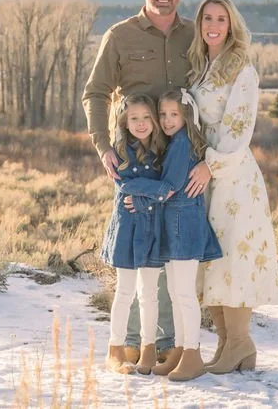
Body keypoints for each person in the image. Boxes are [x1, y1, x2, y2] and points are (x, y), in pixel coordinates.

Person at [82, 0, 212, 361]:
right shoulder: (119, 36)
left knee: (175, 252)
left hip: (180, 161)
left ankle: (171, 345)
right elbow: (96, 93)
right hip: (135, 161)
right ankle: (133, 343)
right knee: (138, 254)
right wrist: (103, 146)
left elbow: (214, 90)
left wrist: (213, 158)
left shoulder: (195, 35)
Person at [188, 0, 278, 374]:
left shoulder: (243, 69)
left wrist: (212, 166)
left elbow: (239, 128)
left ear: (232, 25)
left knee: (233, 258)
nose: (213, 25)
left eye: (221, 19)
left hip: (232, 175)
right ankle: (228, 344)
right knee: (211, 259)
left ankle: (240, 341)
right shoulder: (199, 67)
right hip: (204, 175)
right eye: (207, 18)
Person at [150, 88, 223, 381]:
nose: (167, 120)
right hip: (175, 225)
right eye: (163, 115)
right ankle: (180, 350)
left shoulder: (182, 145)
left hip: (183, 227)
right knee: (175, 292)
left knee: (184, 294)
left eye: (174, 114)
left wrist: (137, 195)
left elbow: (168, 186)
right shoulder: (175, 143)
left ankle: (192, 355)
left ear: (187, 116)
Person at [100, 94, 168, 375]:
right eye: (133, 119)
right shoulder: (119, 151)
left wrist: (148, 196)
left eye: (145, 118)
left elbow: (168, 187)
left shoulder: (163, 151)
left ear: (154, 120)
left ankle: (148, 349)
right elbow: (124, 187)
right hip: (127, 229)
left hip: (152, 229)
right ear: (125, 123)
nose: (140, 124)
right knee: (125, 291)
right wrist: (150, 192)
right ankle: (115, 350)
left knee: (149, 293)